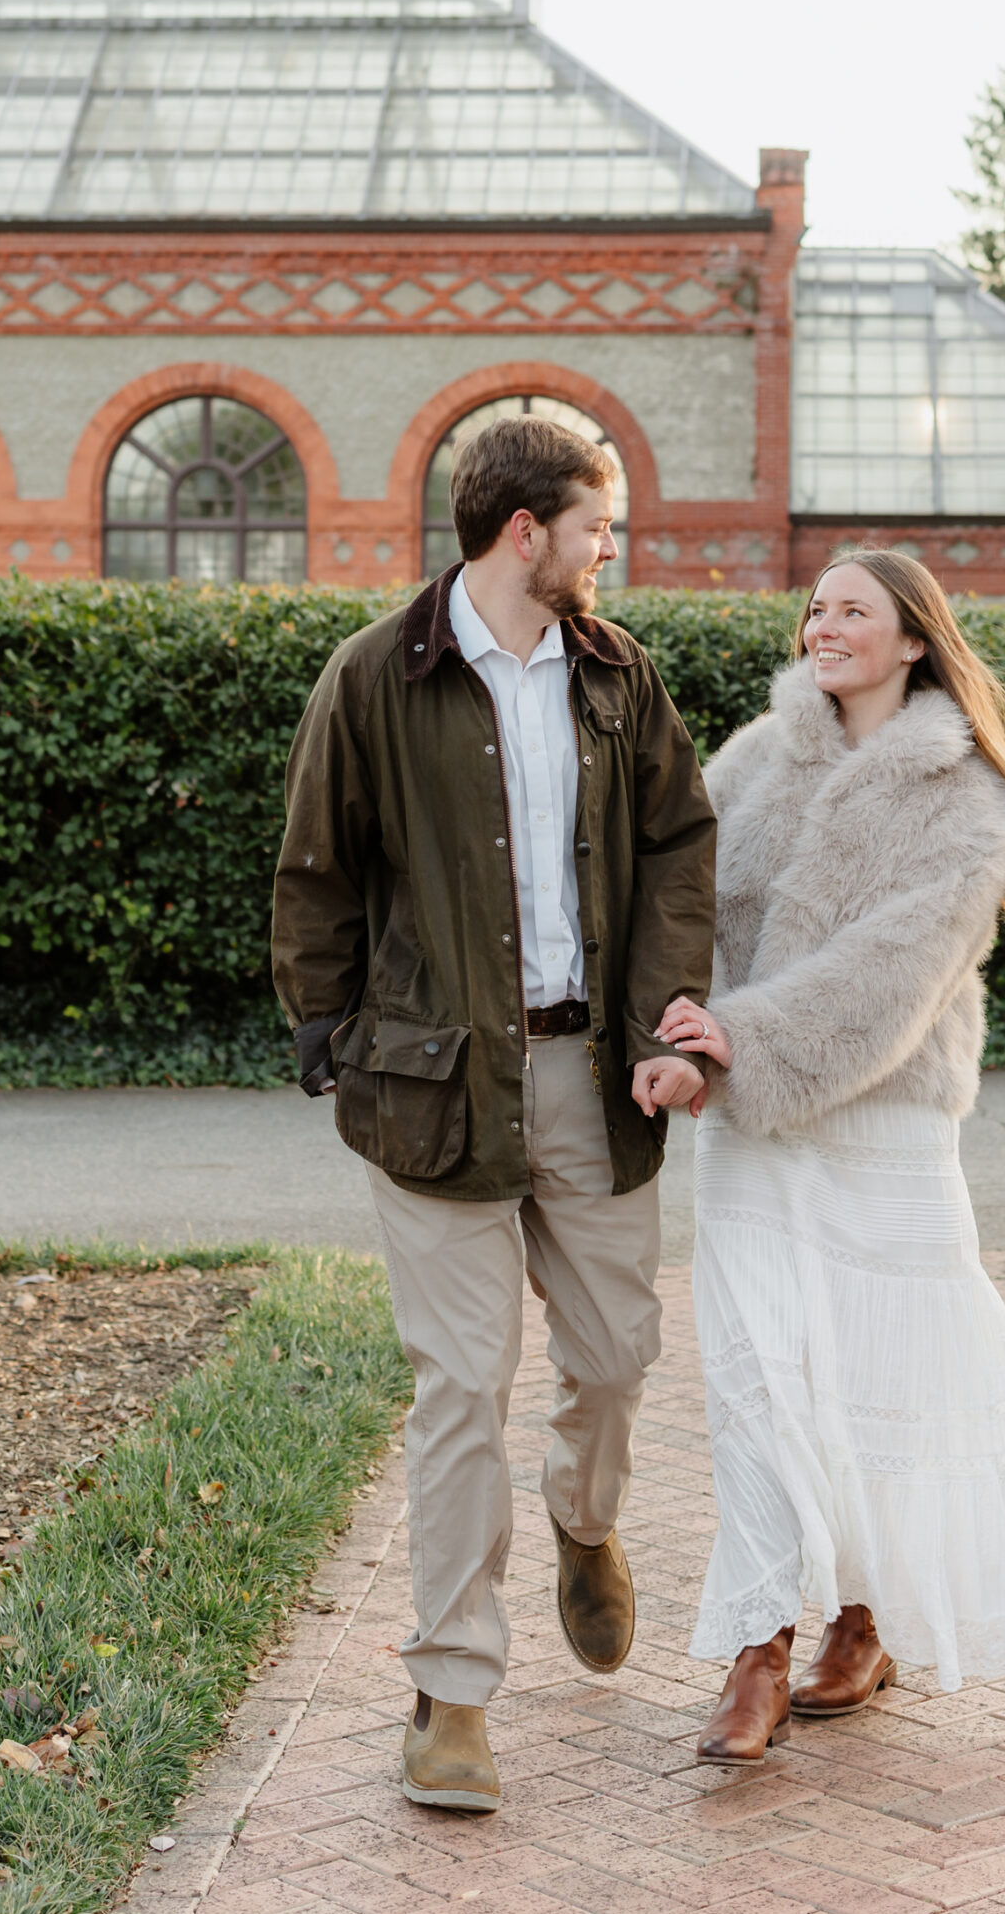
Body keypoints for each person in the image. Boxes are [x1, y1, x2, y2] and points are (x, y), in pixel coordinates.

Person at [272, 415, 714, 1815]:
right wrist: (327, 1026)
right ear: (525, 532)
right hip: (434, 1091)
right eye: (594, 527)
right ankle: (451, 1692)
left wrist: (661, 1031)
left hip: (592, 1078)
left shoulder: (616, 673)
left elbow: (677, 847)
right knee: (461, 1387)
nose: (607, 551)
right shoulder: (373, 676)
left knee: (617, 1353)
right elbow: (316, 867)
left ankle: (585, 1525)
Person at [658, 550, 1005, 1762]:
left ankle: (862, 1624)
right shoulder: (753, 761)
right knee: (753, 1374)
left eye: (851, 609)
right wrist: (685, 1043)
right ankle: (758, 1647)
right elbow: (676, 907)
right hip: (745, 1121)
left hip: (883, 1126)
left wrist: (743, 1039)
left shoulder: (966, 796)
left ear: (913, 640)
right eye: (814, 606)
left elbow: (895, 972)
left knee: (887, 1379)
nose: (822, 624)